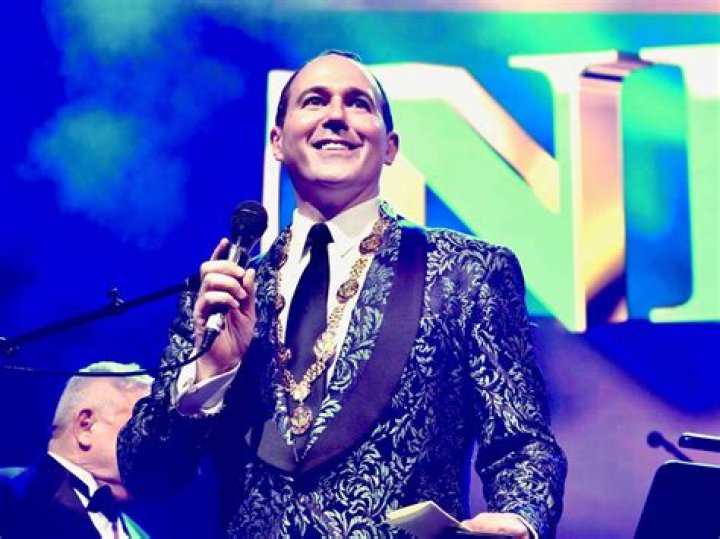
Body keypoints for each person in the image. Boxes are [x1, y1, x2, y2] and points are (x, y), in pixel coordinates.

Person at [118, 50, 567, 538]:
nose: (336, 116)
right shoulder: (223, 295)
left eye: (358, 103)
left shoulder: (467, 273)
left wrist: (520, 519)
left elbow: (523, 445)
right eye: (314, 101)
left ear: (390, 147)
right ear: (277, 141)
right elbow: (147, 474)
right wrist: (211, 372)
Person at [2, 361, 152, 539]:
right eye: (143, 428)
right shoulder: (9, 493)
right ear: (86, 426)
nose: (155, 448)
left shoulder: (140, 534)